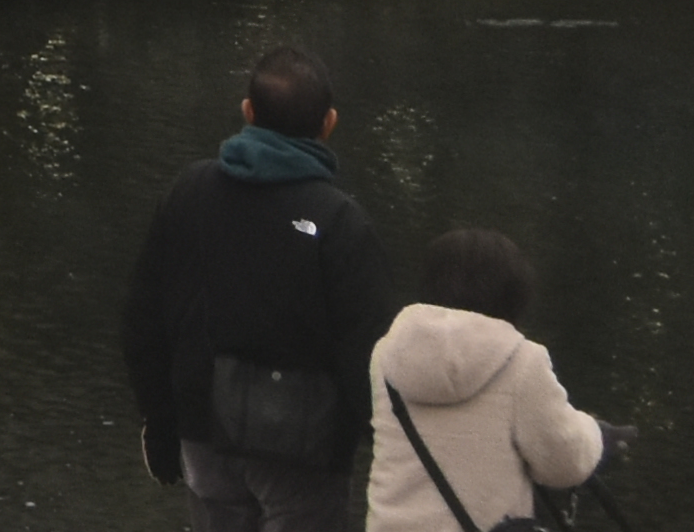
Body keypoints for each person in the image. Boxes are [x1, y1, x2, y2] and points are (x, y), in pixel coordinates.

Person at [124, 44, 408, 529]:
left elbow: (142, 317)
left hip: (201, 430)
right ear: (329, 123)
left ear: (248, 112)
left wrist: (160, 418)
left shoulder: (188, 192)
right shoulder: (340, 222)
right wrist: (389, 448)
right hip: (302, 449)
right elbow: (371, 354)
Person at [367, 230, 606, 532]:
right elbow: (564, 464)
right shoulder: (522, 360)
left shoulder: (387, 353)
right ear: (515, 296)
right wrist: (596, 434)